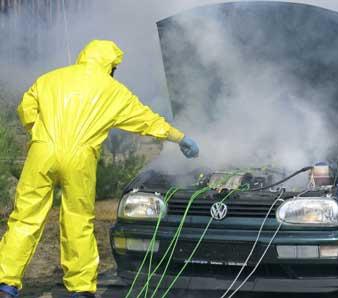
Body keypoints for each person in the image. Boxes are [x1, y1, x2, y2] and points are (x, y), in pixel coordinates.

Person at [0, 40, 199, 298]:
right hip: (80, 157)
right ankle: (81, 289)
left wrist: (39, 133)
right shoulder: (114, 90)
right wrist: (180, 137)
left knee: (25, 218)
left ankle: (5, 283)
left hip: (42, 150)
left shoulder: (49, 78)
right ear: (111, 66)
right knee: (78, 220)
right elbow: (146, 121)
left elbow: (26, 108)